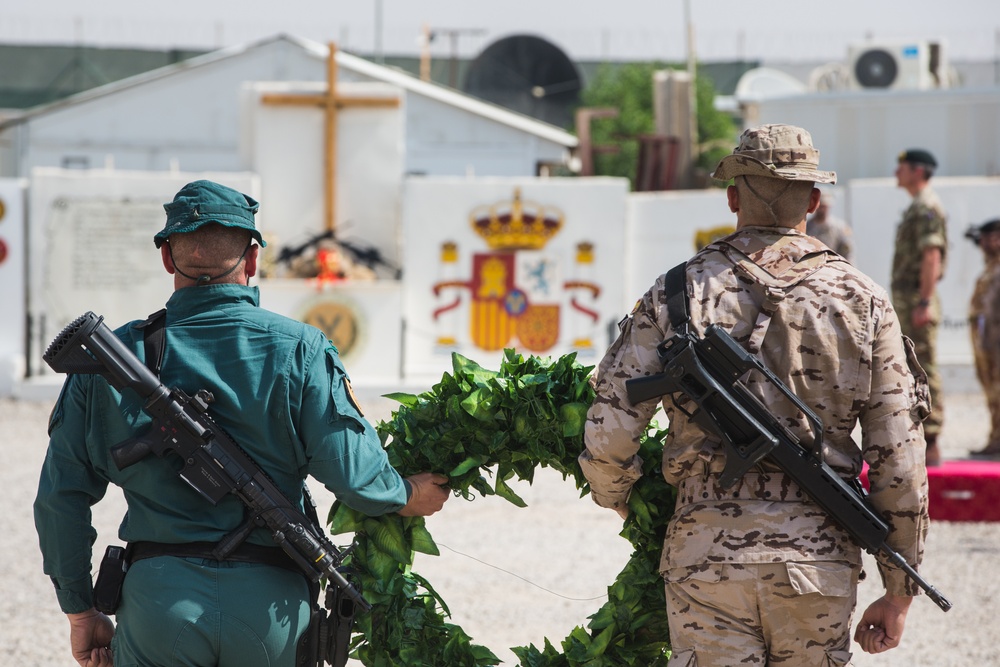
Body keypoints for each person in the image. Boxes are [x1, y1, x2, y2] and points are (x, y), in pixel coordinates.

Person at [33, 180, 450, 667]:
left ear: (167, 259)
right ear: (253, 261)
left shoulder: (115, 359)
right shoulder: (302, 349)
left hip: (158, 603)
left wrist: (81, 612)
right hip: (269, 605)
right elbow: (356, 477)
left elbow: (60, 497)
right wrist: (406, 495)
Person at [580, 125, 930, 665]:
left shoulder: (677, 290)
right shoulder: (864, 301)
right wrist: (898, 587)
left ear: (733, 196)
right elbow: (900, 458)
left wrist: (622, 499)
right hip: (818, 556)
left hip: (706, 552)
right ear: (813, 199)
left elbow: (610, 427)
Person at [892, 148, 948, 466]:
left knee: (924, 367)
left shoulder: (927, 206)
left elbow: (931, 255)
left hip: (917, 298)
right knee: (913, 369)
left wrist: (924, 301)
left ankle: (934, 440)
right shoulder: (917, 205)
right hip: (911, 298)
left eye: (901, 167)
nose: (896, 172)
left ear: (917, 170)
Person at [966, 218, 1000, 458]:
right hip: (988, 342)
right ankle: (996, 438)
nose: (983, 243)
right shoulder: (991, 267)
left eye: (988, 238)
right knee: (992, 392)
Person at [806, 191, 854, 261]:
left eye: (824, 206)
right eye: (820, 206)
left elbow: (847, 252)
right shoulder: (807, 227)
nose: (822, 209)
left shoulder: (839, 227)